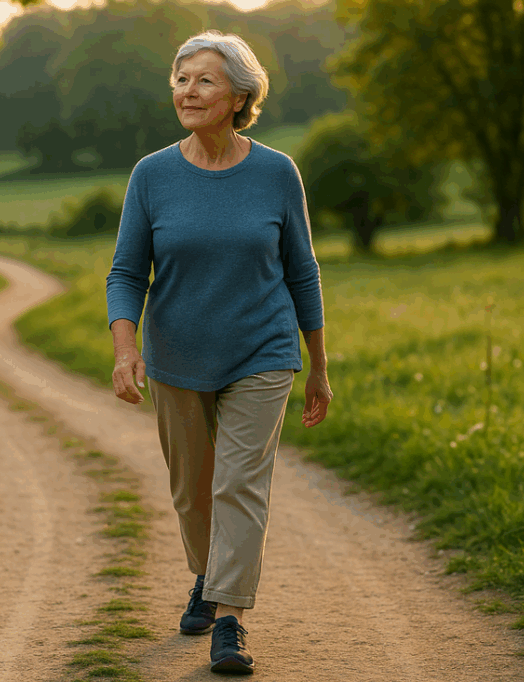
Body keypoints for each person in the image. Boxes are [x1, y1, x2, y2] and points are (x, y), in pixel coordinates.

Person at [105, 29, 333, 675]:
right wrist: (126, 350)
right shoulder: (152, 175)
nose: (188, 90)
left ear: (239, 95)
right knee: (193, 491)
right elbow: (126, 272)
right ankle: (207, 576)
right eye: (180, 78)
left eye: (204, 79)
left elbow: (302, 272)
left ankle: (229, 619)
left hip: (261, 352)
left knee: (239, 485)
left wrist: (317, 365)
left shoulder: (276, 172)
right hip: (177, 354)